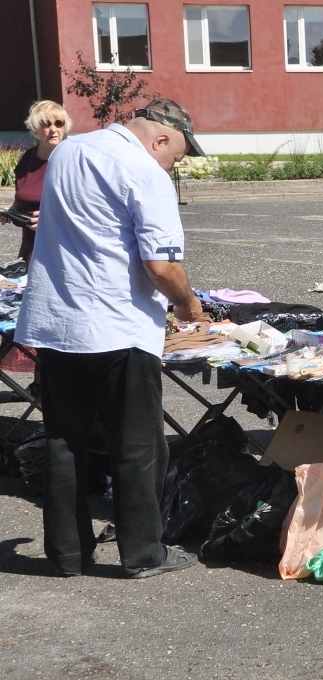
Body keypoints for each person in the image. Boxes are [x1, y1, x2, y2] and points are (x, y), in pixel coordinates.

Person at [15, 98, 205, 578]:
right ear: (161, 139)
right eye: (176, 157)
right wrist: (189, 305)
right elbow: (161, 265)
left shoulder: (69, 152)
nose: (173, 166)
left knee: (64, 441)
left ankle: (68, 554)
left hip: (58, 322)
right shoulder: (145, 171)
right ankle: (144, 553)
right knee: (137, 444)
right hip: (117, 325)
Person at [0, 101, 72, 264]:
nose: (53, 129)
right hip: (31, 247)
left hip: (63, 250)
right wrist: (11, 213)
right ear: (34, 129)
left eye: (59, 123)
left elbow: (88, 208)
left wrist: (51, 218)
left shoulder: (72, 159)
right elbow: (22, 200)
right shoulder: (26, 159)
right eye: (45, 124)